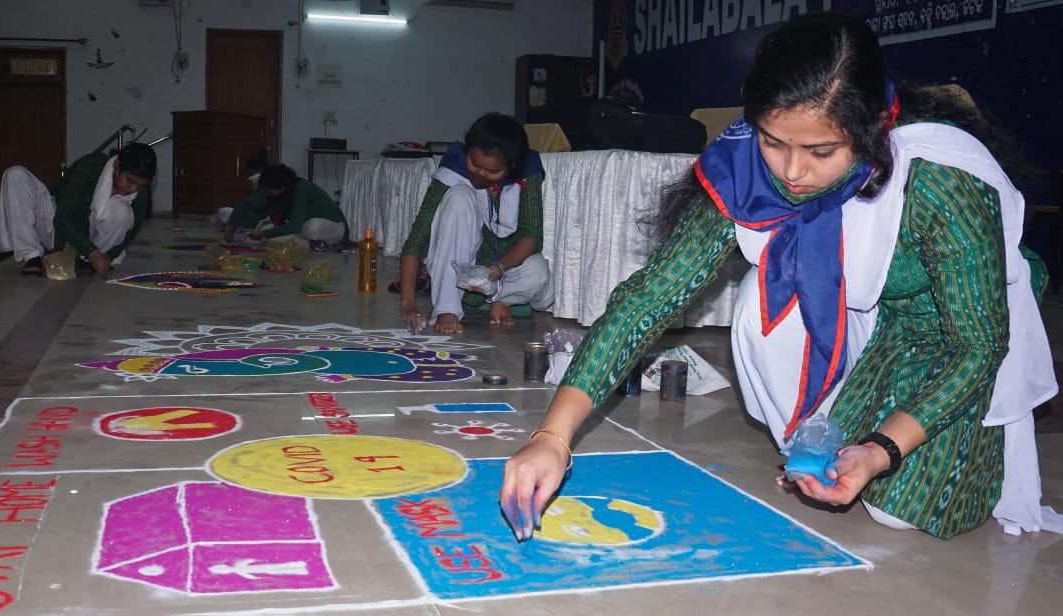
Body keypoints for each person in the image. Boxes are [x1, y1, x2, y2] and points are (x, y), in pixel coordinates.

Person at [500, 12, 1059, 540]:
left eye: (821, 150)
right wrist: (553, 437)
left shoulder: (939, 178)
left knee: (895, 511)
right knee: (760, 304)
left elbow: (978, 344)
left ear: (871, 128)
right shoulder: (746, 169)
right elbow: (647, 301)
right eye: (773, 141)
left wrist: (880, 450)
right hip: (875, 322)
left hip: (953, 334)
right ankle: (823, 422)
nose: (792, 172)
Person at [398, 113, 554, 334]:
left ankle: (503, 301)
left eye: (493, 171)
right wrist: (408, 303)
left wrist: (499, 268)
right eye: (474, 163)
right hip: (464, 276)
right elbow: (416, 239)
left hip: (506, 270)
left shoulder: (527, 170)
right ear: (467, 151)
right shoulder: (454, 167)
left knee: (538, 272)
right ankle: (448, 309)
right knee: (458, 197)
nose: (480, 174)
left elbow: (533, 236)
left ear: (511, 167)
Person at [0, 142, 157, 276]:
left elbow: (132, 230)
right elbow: (61, 217)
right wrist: (91, 251)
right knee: (15, 174)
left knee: (123, 213)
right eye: (130, 181)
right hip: (53, 225)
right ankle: (32, 257)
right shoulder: (89, 166)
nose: (132, 189)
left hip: (90, 242)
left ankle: (86, 260)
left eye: (139, 186)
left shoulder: (140, 191)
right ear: (117, 166)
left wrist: (108, 256)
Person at [219, 164, 348, 247]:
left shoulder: (301, 189)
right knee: (273, 238)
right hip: (301, 228)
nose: (268, 195)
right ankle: (307, 243)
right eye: (266, 191)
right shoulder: (273, 191)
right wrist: (230, 226)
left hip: (334, 227)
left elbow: (295, 225)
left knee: (310, 228)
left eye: (270, 192)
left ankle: (310, 243)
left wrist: (264, 233)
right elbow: (245, 205)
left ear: (283, 187)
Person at [217, 148, 270, 242]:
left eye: (251, 173)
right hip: (254, 216)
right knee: (223, 211)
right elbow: (248, 204)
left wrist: (230, 226)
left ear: (260, 169)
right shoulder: (259, 181)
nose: (250, 177)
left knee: (225, 212)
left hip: (261, 219)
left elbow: (246, 205)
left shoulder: (265, 181)